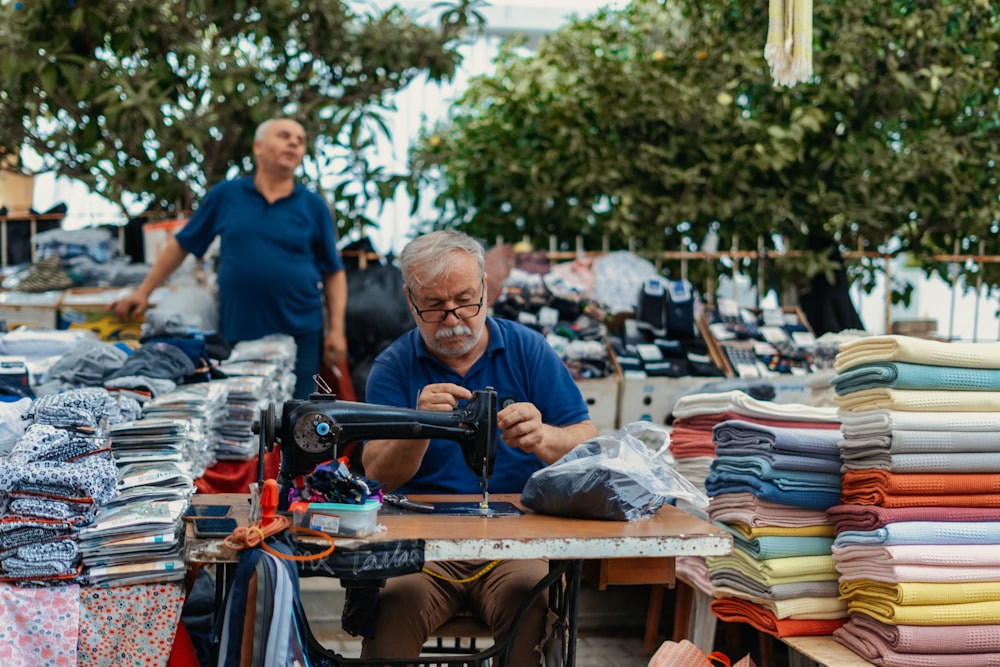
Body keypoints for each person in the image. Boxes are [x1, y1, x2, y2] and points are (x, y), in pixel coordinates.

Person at [360, 229, 599, 665]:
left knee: (531, 613)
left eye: (465, 300)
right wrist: (419, 426)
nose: (452, 319)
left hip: (512, 548)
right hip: (424, 550)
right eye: (434, 306)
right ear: (410, 299)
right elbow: (374, 472)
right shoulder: (394, 366)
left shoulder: (529, 350)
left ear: (487, 287)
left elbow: (588, 445)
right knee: (388, 622)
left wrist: (544, 437)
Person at [111, 118, 347, 400]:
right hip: (240, 330)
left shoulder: (313, 205)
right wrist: (143, 291)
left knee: (299, 418)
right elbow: (182, 245)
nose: (294, 142)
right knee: (245, 418)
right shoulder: (226, 196)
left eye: (300, 139)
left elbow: (334, 272)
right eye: (284, 135)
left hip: (301, 332)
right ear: (258, 147)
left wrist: (336, 330)